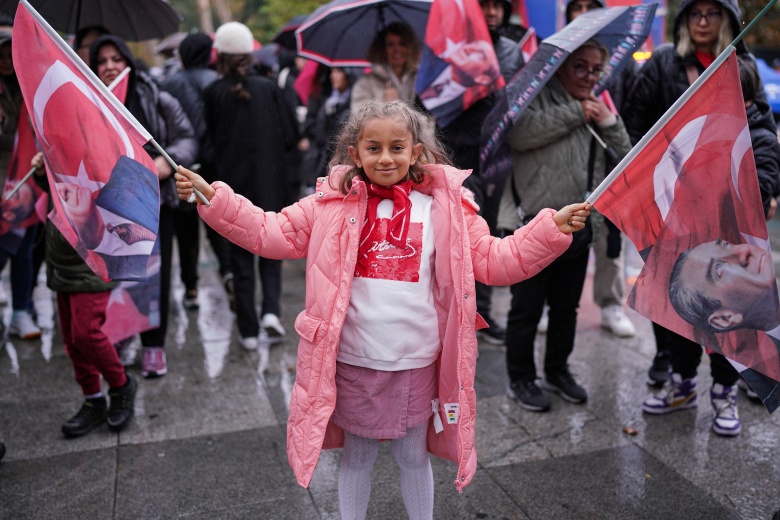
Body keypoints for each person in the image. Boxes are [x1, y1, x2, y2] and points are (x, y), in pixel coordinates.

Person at [175, 100, 590, 519]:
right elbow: (271, 231)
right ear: (355, 153)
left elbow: (493, 259)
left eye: (397, 147)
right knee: (357, 458)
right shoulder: (328, 203)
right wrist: (214, 199)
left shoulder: (447, 209)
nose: (386, 157)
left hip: (416, 361)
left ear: (416, 152)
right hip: (355, 360)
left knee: (413, 456)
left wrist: (548, 230)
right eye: (373, 148)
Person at [623, 0, 768, 429]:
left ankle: (725, 393)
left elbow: (759, 132)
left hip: (727, 214)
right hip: (669, 213)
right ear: (684, 20)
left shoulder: (743, 65)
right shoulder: (664, 63)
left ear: (728, 20)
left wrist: (766, 187)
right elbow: (635, 130)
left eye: (713, 13)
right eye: (694, 13)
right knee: (675, 303)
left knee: (727, 307)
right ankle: (681, 383)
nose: (703, 22)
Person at [498, 40, 631, 412]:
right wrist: (577, 113)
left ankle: (557, 370)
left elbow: (623, 155)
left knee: (565, 307)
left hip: (576, 226)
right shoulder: (533, 97)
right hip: (529, 224)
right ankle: (520, 377)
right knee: (526, 309)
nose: (589, 76)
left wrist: (609, 120)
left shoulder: (597, 104)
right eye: (580, 68)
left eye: (595, 69)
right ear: (560, 68)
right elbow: (520, 134)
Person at [90, 35, 197, 378]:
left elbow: (187, 139)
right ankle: (121, 336)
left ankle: (154, 345)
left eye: (116, 58)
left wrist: (168, 164)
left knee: (153, 275)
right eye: (102, 60)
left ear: (128, 62)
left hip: (154, 202)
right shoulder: (89, 103)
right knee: (119, 274)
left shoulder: (156, 97)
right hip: (109, 206)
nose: (109, 66)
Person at [204, 22, 298, 350]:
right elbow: (292, 135)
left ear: (222, 57)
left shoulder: (213, 93)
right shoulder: (269, 89)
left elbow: (207, 147)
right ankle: (271, 311)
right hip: (270, 184)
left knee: (240, 258)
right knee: (272, 248)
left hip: (232, 190)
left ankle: (247, 329)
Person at [31, 153, 138, 439]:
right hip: (60, 258)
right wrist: (44, 173)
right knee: (71, 340)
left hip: (89, 259)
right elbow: (57, 195)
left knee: (85, 332)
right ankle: (93, 399)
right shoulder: (60, 146)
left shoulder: (92, 144)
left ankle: (121, 385)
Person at [439, 0, 524, 346]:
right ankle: (456, 311)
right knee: (457, 239)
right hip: (458, 156)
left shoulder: (511, 52)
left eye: (497, 7)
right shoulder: (452, 50)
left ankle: (483, 313)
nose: (491, 13)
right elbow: (435, 99)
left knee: (488, 236)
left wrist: (495, 91)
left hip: (497, 157)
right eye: (484, 5)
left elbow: (519, 100)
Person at [565, 0, 638, 339]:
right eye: (576, 6)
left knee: (610, 242)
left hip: (609, 168)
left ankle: (610, 303)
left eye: (591, 6)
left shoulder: (622, 66)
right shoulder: (554, 61)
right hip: (566, 166)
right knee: (558, 234)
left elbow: (634, 114)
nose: (583, 12)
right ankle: (555, 305)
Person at [161, 32, 234, 311]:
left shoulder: (168, 85)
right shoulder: (218, 83)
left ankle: (190, 287)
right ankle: (227, 274)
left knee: (186, 230)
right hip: (215, 167)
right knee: (220, 225)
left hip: (182, 167)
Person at [0, 30, 41, 340]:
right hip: (3, 180)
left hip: (26, 182)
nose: (5, 61)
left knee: (24, 249)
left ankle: (20, 312)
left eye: (9, 54)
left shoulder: (29, 85)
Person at [351, 22, 422, 111]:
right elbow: (358, 119)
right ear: (382, 49)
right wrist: (384, 105)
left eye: (402, 44)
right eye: (390, 44)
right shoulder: (365, 84)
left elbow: (429, 120)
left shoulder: (421, 79)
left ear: (411, 47)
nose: (397, 49)